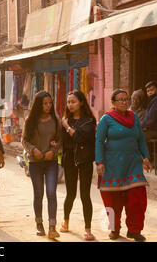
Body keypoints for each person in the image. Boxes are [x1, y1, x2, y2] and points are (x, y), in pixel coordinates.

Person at [96, 89, 153, 242]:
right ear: (113, 103)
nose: (124, 102)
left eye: (126, 99)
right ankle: (114, 228)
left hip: (133, 163)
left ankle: (134, 230)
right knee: (112, 199)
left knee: (137, 197)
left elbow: (140, 139)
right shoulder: (106, 120)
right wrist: (99, 162)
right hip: (113, 165)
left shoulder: (134, 117)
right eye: (120, 100)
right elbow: (99, 142)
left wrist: (146, 157)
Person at [22, 91, 62, 239]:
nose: (48, 106)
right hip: (35, 163)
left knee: (51, 192)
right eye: (45, 103)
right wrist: (33, 150)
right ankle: (39, 224)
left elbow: (60, 140)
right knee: (38, 194)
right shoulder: (30, 121)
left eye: (50, 103)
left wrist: (54, 150)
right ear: (38, 104)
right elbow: (24, 140)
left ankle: (52, 226)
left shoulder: (56, 120)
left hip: (51, 162)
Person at [60, 90, 96, 241]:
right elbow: (62, 140)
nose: (70, 105)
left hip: (85, 159)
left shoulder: (89, 120)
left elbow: (81, 138)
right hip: (69, 159)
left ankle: (87, 229)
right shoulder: (65, 120)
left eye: (73, 101)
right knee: (70, 193)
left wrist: (67, 127)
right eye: (68, 102)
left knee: (85, 195)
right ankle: (65, 221)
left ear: (81, 102)